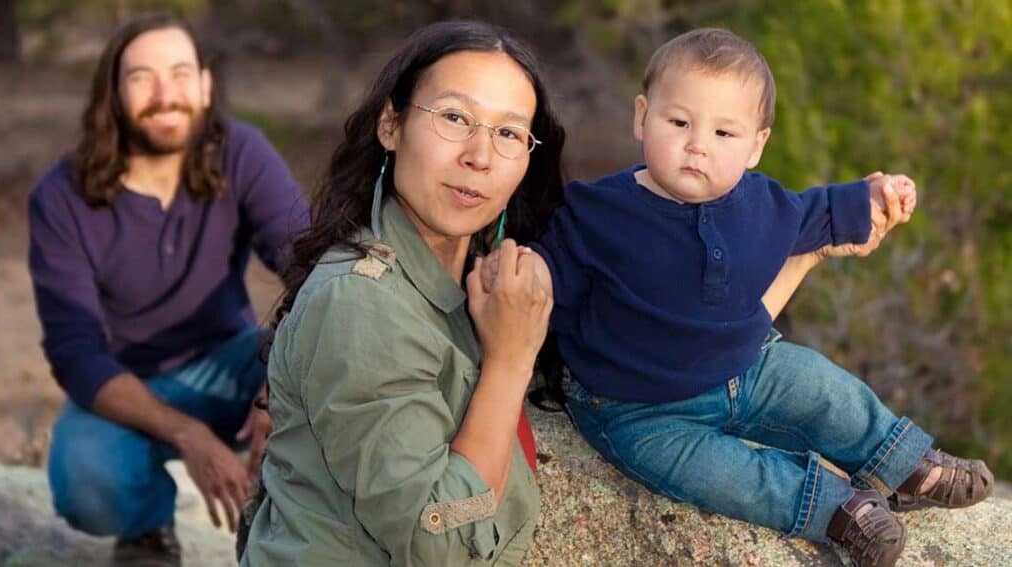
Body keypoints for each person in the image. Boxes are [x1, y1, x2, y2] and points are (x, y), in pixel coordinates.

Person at [487, 28, 993, 567]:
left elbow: (818, 214)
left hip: (748, 368)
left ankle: (904, 464)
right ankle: (840, 509)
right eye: (678, 122)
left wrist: (874, 197)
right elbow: (549, 269)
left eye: (725, 132)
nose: (698, 144)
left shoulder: (762, 203)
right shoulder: (598, 211)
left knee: (821, 387)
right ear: (642, 117)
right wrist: (525, 271)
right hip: (636, 410)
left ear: (756, 145)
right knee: (725, 476)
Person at [237, 20, 566, 565]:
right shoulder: (359, 302)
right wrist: (511, 358)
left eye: (508, 133)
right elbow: (438, 543)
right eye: (455, 118)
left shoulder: (479, 282)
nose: (479, 155)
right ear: (392, 124)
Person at [27, 13, 309, 564]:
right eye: (141, 78)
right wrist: (190, 437)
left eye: (180, 73)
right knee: (86, 483)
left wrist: (282, 385)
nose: (165, 95)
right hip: (126, 380)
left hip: (232, 363)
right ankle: (148, 530)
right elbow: (74, 351)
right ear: (113, 93)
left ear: (206, 84)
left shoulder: (240, 152)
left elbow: (313, 266)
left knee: (327, 376)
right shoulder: (61, 196)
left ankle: (303, 530)